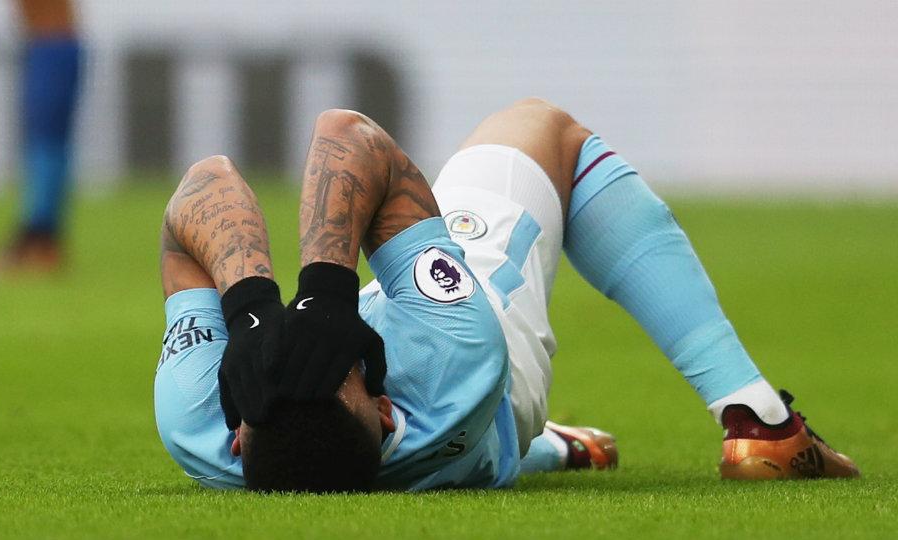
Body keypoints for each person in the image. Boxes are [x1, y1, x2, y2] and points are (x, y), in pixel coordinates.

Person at [154, 98, 858, 492]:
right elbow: (349, 135)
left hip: (469, 443)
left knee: (498, 449)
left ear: (239, 440)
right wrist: (325, 298)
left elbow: (197, 194)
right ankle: (760, 420)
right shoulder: (453, 361)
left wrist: (249, 311)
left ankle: (551, 447)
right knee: (546, 132)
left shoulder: (200, 428)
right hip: (492, 378)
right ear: (388, 403)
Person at [0, 0, 82, 277]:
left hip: (51, 46)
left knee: (45, 144)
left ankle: (38, 239)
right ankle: (41, 239)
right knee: (47, 143)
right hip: (49, 46)